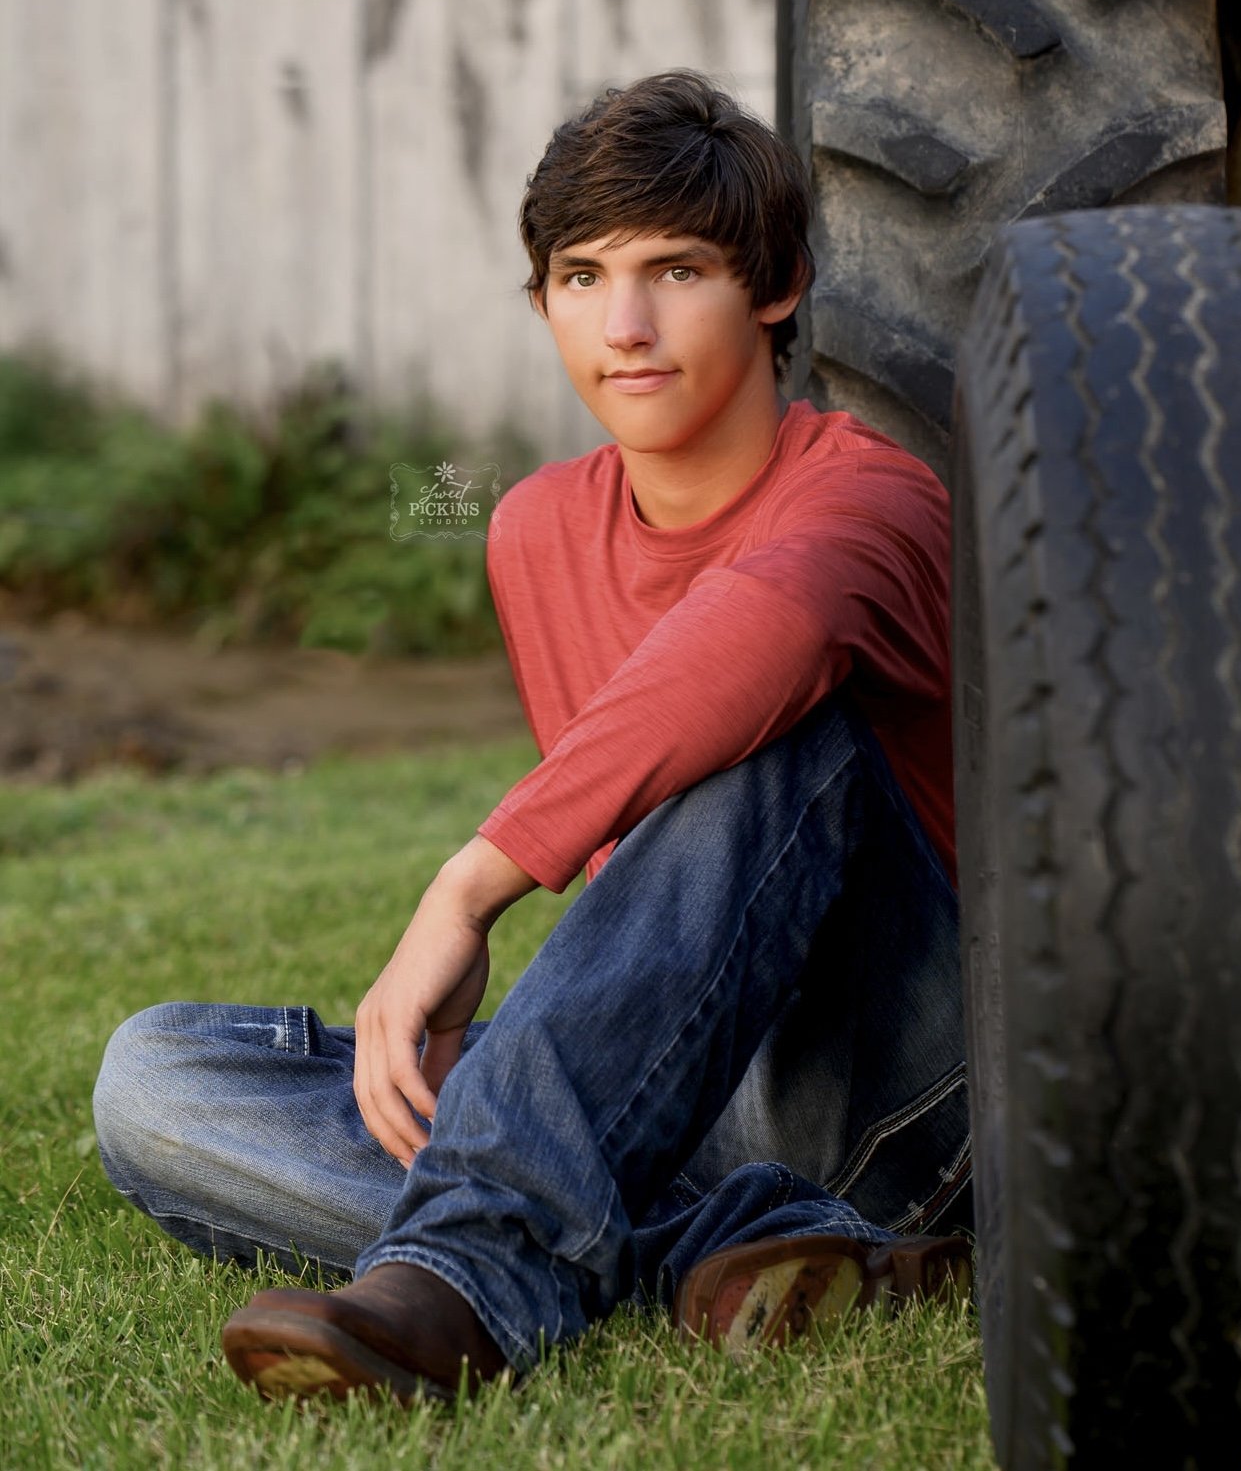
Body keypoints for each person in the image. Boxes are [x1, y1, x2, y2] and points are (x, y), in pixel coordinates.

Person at [92, 70, 972, 1407]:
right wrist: (534, 1076)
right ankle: (745, 1247)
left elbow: (756, 639)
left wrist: (471, 882)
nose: (624, 324)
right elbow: (654, 906)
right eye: (580, 276)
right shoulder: (531, 527)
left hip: (905, 1088)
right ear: (542, 299)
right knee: (159, 1075)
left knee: (767, 728)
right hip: (695, 1093)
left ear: (776, 286)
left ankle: (477, 1263)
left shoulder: (869, 497)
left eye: (676, 270)